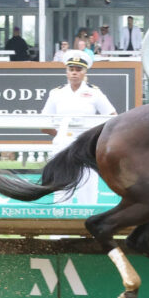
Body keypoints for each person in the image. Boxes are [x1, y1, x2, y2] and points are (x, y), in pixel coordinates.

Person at [41, 50, 117, 204]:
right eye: (71, 69)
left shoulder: (94, 93)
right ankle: (60, 219)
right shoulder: (56, 93)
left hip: (86, 145)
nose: (74, 73)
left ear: (84, 72)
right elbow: (44, 122)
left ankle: (86, 219)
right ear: (66, 72)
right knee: (61, 184)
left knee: (88, 185)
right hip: (63, 143)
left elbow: (112, 117)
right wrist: (60, 135)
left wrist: (95, 138)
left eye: (78, 70)